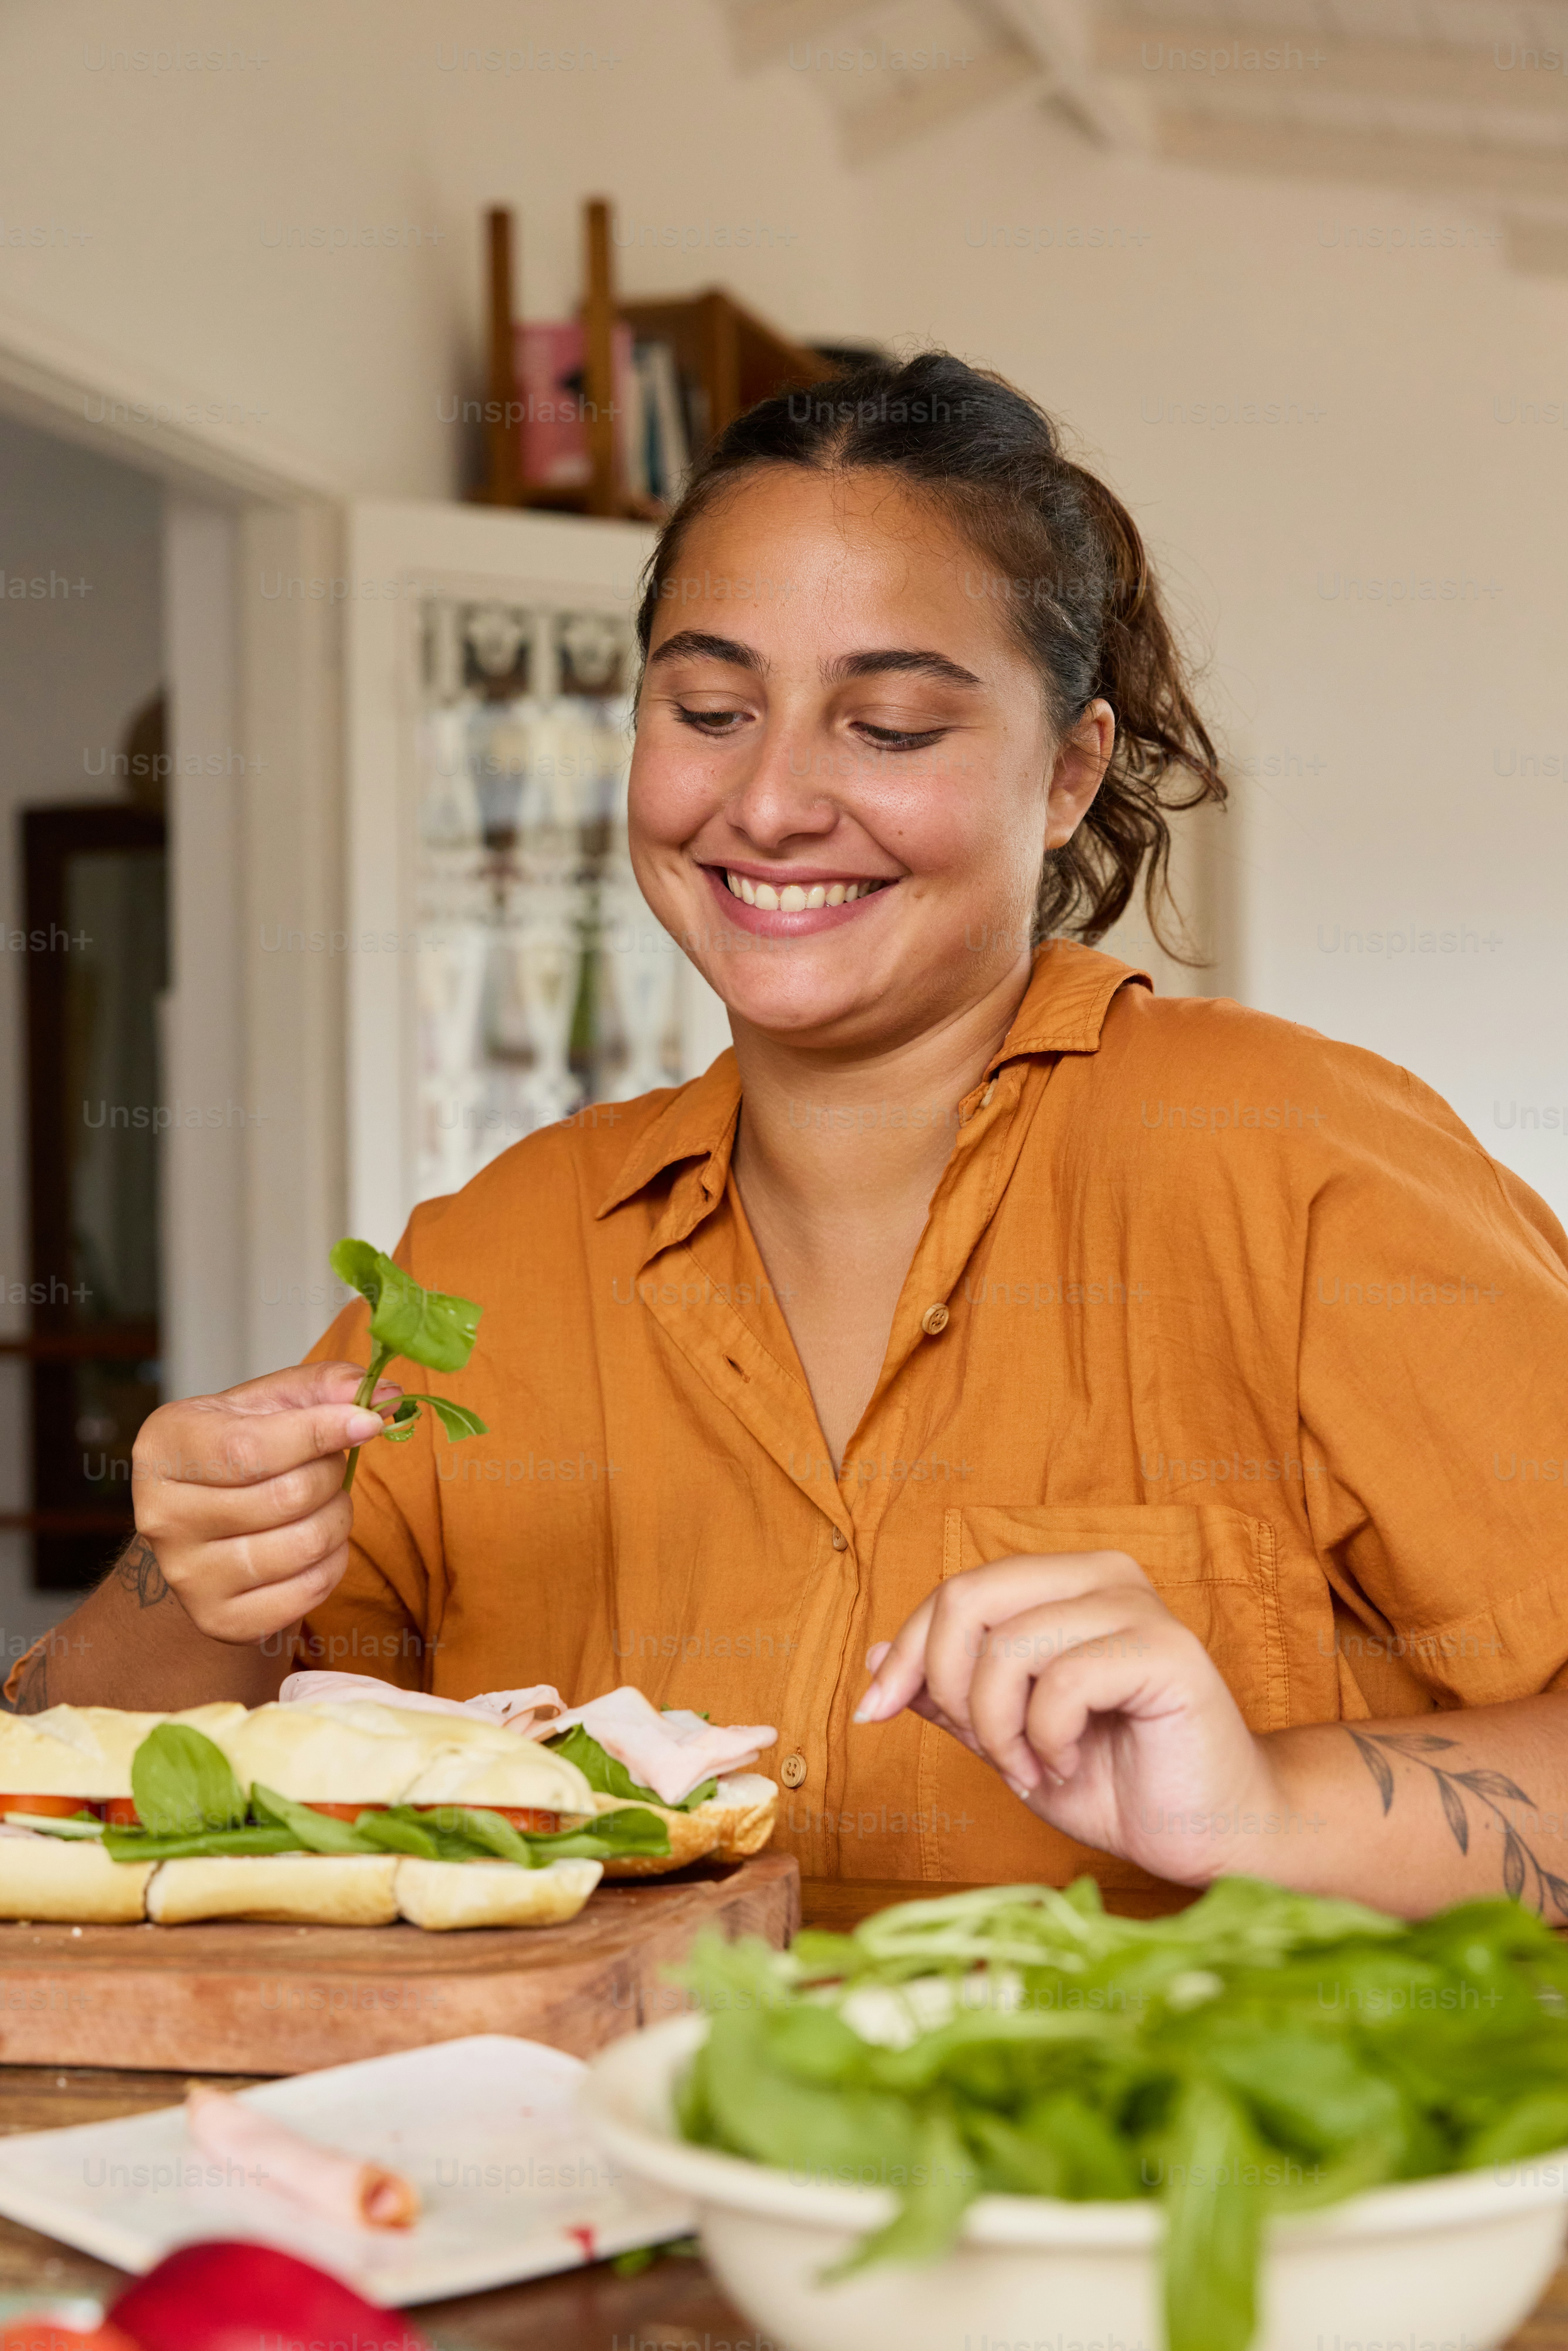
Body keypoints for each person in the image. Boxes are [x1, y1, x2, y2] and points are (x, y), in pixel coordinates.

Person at [17, 353, 1568, 1919]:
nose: (768, 800)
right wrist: (189, 1570)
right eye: (708, 709)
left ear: (1067, 774)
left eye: (888, 726)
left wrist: (1261, 1801)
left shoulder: (1299, 1164)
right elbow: (80, 1788)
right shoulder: (489, 1259)